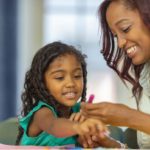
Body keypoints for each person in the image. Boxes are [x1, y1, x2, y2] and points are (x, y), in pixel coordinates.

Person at [81, 0, 150, 149]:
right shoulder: (146, 74)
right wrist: (111, 144)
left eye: (125, 29)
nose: (119, 44)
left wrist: (129, 117)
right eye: (115, 36)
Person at [15, 41, 109, 147]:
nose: (71, 83)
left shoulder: (80, 112)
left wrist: (89, 137)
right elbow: (53, 126)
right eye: (60, 77)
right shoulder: (42, 113)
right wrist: (79, 127)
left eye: (77, 76)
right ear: (42, 82)